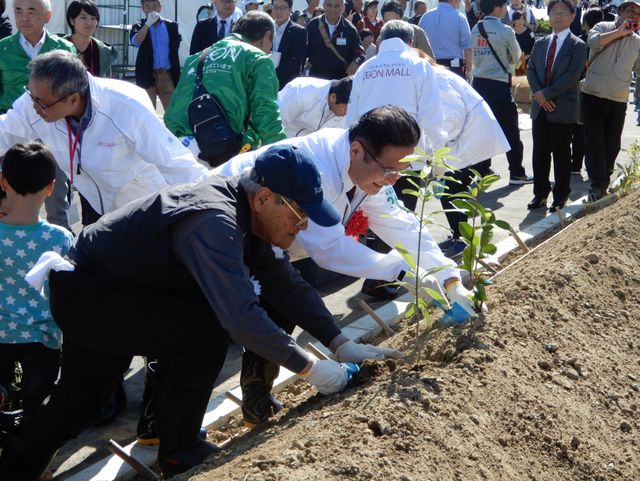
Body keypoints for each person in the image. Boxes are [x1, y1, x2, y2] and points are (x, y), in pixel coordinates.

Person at [0, 144, 403, 480]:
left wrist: (339, 342)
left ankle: (17, 465)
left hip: (108, 291)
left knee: (80, 401)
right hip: (94, 294)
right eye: (299, 215)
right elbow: (240, 316)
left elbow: (285, 283)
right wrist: (312, 370)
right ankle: (180, 448)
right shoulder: (214, 221)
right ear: (264, 198)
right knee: (204, 326)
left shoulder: (243, 211)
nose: (303, 227)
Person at [215, 106, 483, 424]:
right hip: (225, 232)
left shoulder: (366, 169)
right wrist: (403, 272)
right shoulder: (316, 171)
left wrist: (449, 278)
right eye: (388, 170)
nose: (393, 180)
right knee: (218, 327)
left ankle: (257, 401)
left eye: (401, 171)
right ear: (357, 150)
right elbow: (329, 250)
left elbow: (400, 222)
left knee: (282, 305)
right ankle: (166, 435)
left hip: (268, 245)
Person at [0, 50, 208, 223]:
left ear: (73, 99)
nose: (34, 107)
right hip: (94, 199)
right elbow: (5, 131)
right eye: (31, 96)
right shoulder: (39, 100)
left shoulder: (125, 106)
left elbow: (175, 162)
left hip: (142, 204)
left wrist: (214, 200)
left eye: (41, 103)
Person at [0, 143, 74, 423]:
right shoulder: (59, 238)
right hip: (43, 336)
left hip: (1, 332)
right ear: (51, 187)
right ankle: (38, 465)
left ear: (2, 181)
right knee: (38, 409)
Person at [164, 11, 286, 166]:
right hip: (219, 153)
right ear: (267, 36)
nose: (269, 50)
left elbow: (176, 104)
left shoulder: (196, 58)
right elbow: (265, 111)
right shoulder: (258, 59)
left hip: (177, 148)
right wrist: (282, 155)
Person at [0, 0, 76, 231]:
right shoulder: (2, 49)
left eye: (31, 11)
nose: (24, 18)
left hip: (53, 133)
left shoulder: (63, 50)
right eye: (18, 11)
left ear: (47, 16)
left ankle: (62, 252)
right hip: (12, 133)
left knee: (57, 202)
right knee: (8, 200)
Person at [526, 0, 587, 212]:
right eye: (553, 12)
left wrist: (547, 94)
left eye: (563, 13)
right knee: (539, 153)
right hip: (540, 108)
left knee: (561, 154)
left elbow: (573, 76)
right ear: (548, 16)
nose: (558, 16)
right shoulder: (541, 43)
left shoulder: (578, 45)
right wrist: (540, 96)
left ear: (573, 17)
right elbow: (531, 69)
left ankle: (560, 196)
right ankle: (540, 194)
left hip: (562, 108)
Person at [581, 0, 640, 201]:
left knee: (612, 144)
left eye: (638, 14)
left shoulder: (637, 42)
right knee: (594, 141)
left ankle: (603, 180)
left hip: (618, 99)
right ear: (621, 11)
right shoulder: (603, 26)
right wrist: (620, 32)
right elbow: (593, 42)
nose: (634, 16)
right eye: (630, 11)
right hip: (592, 95)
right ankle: (597, 184)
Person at [471, 0, 533, 185]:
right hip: (498, 85)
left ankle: (482, 170)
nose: (506, 9)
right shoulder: (505, 30)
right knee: (511, 130)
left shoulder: (476, 28)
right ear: (497, 8)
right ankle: (516, 173)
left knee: (483, 130)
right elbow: (517, 57)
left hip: (478, 85)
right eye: (504, 6)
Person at [130, 0, 181, 111]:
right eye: (148, 7)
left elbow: (175, 48)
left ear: (160, 7)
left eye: (155, 6)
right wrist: (147, 24)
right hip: (147, 75)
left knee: (172, 113)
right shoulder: (138, 25)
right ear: (143, 9)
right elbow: (135, 42)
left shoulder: (171, 26)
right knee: (148, 113)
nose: (152, 10)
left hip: (167, 75)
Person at [306, 0, 365, 79]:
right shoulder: (313, 25)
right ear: (324, 5)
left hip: (340, 79)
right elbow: (302, 51)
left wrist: (356, 62)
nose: (332, 9)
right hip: (316, 78)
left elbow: (360, 51)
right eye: (329, 5)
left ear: (342, 7)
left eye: (336, 6)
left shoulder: (350, 29)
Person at [278, 76, 352, 137]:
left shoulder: (346, 109)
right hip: (281, 140)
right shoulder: (302, 91)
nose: (348, 113)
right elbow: (275, 122)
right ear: (333, 97)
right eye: (348, 109)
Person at [418, 0, 473, 79]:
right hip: (454, 66)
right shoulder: (459, 17)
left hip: (430, 64)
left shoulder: (425, 17)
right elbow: (467, 48)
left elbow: (419, 44)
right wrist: (469, 71)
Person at [65, 1, 118, 78]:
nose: (89, 23)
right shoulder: (58, 46)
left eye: (93, 18)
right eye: (83, 17)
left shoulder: (103, 51)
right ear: (72, 20)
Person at [271, 0, 308, 90]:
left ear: (290, 9)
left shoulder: (299, 31)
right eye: (275, 7)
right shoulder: (265, 29)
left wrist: (272, 75)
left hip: (288, 85)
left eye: (283, 8)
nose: (278, 11)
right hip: (266, 83)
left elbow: (295, 62)